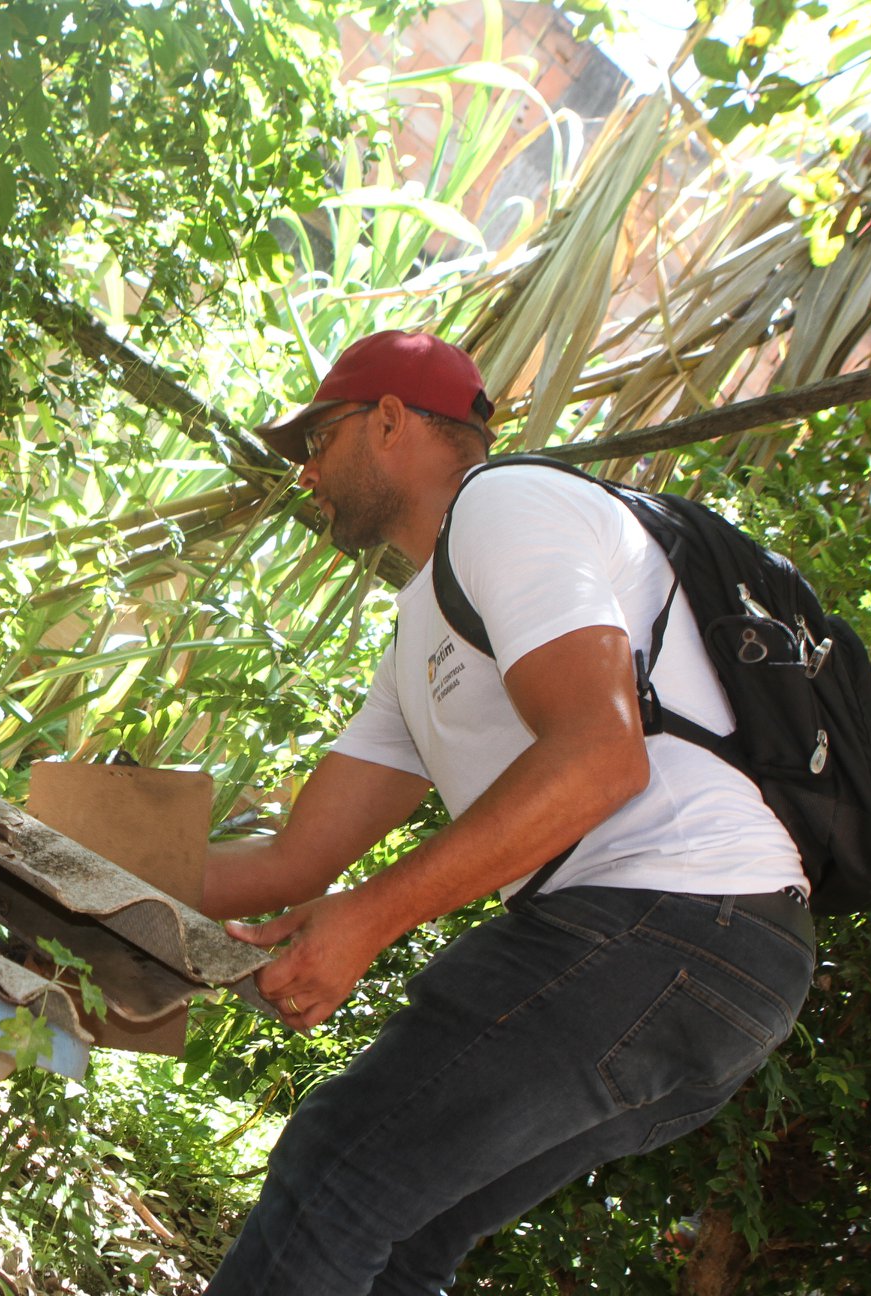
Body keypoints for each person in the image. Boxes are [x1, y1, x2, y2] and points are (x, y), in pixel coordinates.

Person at [200, 331, 815, 1295]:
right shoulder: (418, 629)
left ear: (392, 420)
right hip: (723, 966)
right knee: (400, 1239)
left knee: (337, 1169)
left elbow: (598, 757)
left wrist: (368, 917)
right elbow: (288, 865)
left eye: (317, 440)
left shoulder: (505, 505)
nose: (307, 473)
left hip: (673, 916)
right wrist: (68, 866)